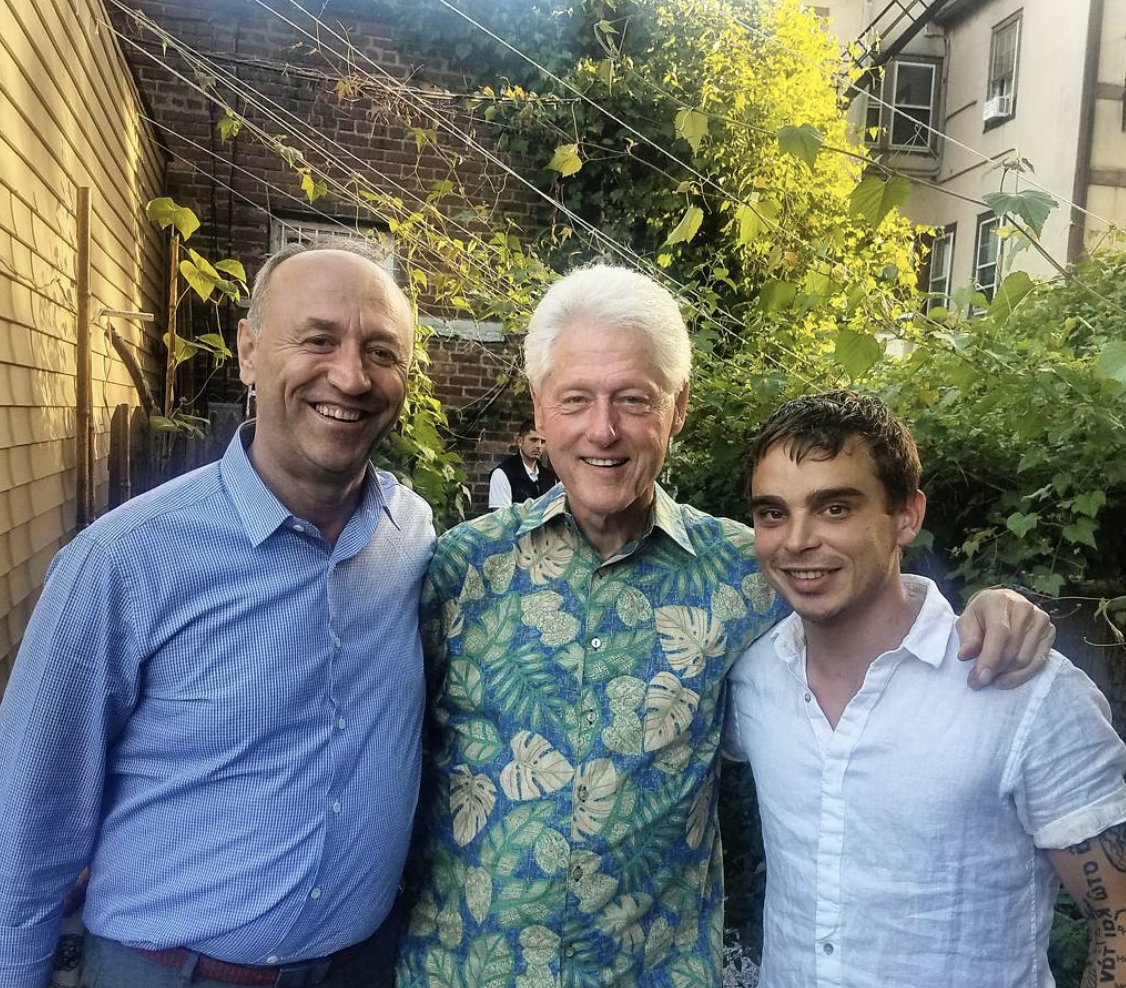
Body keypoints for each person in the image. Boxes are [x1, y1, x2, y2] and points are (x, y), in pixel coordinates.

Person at [395, 264, 1056, 987]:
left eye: (634, 400)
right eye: (575, 399)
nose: (603, 429)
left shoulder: (752, 573)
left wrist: (994, 604)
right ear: (541, 411)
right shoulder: (462, 567)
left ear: (678, 407)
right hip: (461, 968)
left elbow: (876, 618)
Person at [0, 240, 435, 988]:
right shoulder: (124, 559)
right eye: (318, 340)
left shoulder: (412, 536)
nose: (352, 376)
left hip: (364, 966)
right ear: (250, 351)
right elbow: (29, 809)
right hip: (170, 972)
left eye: (381, 352)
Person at [726, 390, 1126, 987]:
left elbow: (1117, 916)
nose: (796, 540)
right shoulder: (753, 678)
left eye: (835, 508)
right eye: (773, 513)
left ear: (907, 516)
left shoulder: (1026, 691)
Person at [487, 418, 556, 509]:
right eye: (533, 439)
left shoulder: (548, 477)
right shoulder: (502, 474)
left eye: (543, 441)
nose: (539, 446)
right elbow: (501, 516)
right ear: (520, 441)